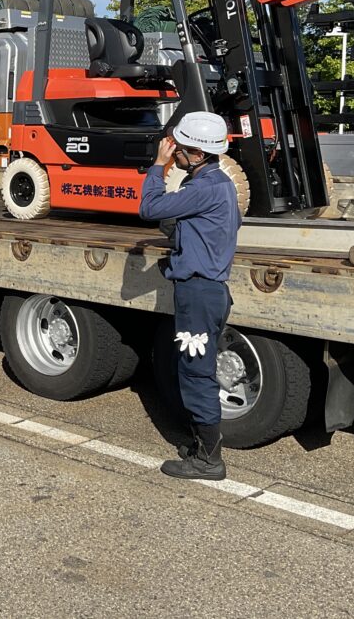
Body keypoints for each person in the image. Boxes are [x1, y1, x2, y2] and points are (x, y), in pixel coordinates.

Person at [139, 110, 241, 481]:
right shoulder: (222, 183)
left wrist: (158, 167)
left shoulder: (201, 188)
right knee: (193, 369)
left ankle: (209, 461)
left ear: (197, 154)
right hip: (208, 290)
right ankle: (201, 445)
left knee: (196, 373)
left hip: (198, 294)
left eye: (178, 149)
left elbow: (149, 208)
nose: (173, 152)